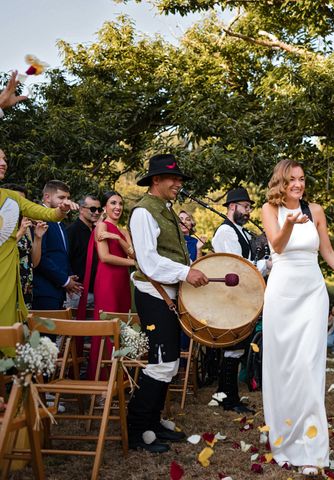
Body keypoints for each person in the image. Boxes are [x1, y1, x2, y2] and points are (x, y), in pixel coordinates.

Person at [261, 159, 334, 474]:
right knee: (283, 368)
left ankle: (312, 448)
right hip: (281, 296)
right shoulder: (269, 210)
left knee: (309, 368)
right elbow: (278, 246)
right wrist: (289, 224)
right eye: (291, 180)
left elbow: (326, 251)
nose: (298, 184)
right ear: (281, 183)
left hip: (312, 294)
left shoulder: (316, 211)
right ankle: (284, 441)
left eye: (301, 179)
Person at [126, 154, 209, 453]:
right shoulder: (142, 212)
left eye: (180, 179)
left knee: (170, 364)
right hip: (153, 295)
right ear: (155, 180)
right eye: (172, 178)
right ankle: (136, 430)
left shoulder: (165, 209)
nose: (178, 183)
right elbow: (148, 262)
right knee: (161, 364)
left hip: (168, 296)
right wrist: (187, 272)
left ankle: (153, 422)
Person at [0, 150, 77, 326]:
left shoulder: (12, 198)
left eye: (4, 158)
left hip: (7, 278)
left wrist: (61, 210)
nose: (4, 162)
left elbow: (46, 213)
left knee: (7, 334)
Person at [211, 186, 271, 413]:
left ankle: (227, 395)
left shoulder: (241, 232)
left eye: (249, 208)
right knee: (233, 347)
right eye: (245, 207)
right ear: (232, 206)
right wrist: (267, 264)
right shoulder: (226, 233)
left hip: (242, 297)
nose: (248, 212)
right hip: (231, 297)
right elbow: (237, 269)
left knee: (238, 346)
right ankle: (228, 399)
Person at [77, 191, 135, 380]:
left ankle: (120, 379)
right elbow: (105, 257)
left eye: (120, 203)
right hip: (107, 280)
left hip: (123, 282)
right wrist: (133, 264)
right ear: (105, 207)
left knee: (121, 327)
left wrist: (117, 238)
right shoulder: (101, 225)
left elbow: (133, 254)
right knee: (106, 326)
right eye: (113, 203)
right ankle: (102, 380)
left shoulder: (124, 231)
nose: (117, 207)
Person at [31, 180, 83, 310]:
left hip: (57, 290)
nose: (66, 201)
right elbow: (40, 257)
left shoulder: (60, 223)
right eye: (61, 197)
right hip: (44, 291)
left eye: (67, 198)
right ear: (47, 197)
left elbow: (60, 254)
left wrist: (69, 277)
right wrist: (65, 280)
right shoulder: (40, 218)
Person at [3, 184, 48, 310]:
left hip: (25, 286)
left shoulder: (26, 226)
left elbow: (33, 262)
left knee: (23, 327)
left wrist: (38, 238)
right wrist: (19, 233)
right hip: (6, 283)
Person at [66, 194, 102, 310]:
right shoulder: (71, 231)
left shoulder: (97, 232)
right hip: (77, 293)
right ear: (81, 209)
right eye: (92, 209)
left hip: (97, 292)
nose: (96, 212)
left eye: (99, 209)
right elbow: (64, 259)